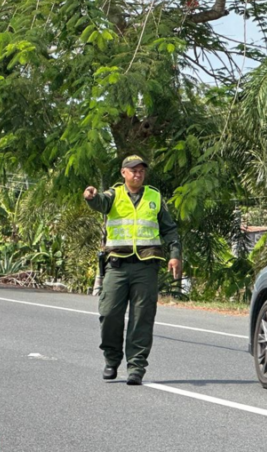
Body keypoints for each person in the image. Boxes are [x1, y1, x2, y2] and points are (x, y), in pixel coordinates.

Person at [84, 155, 182, 386]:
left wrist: (175, 255)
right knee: (109, 313)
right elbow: (100, 203)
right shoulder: (113, 195)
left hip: (146, 267)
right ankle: (111, 360)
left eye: (141, 171)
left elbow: (169, 229)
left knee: (142, 317)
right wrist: (91, 197)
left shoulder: (154, 197)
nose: (138, 174)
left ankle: (136, 367)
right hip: (117, 265)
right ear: (123, 173)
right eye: (133, 170)